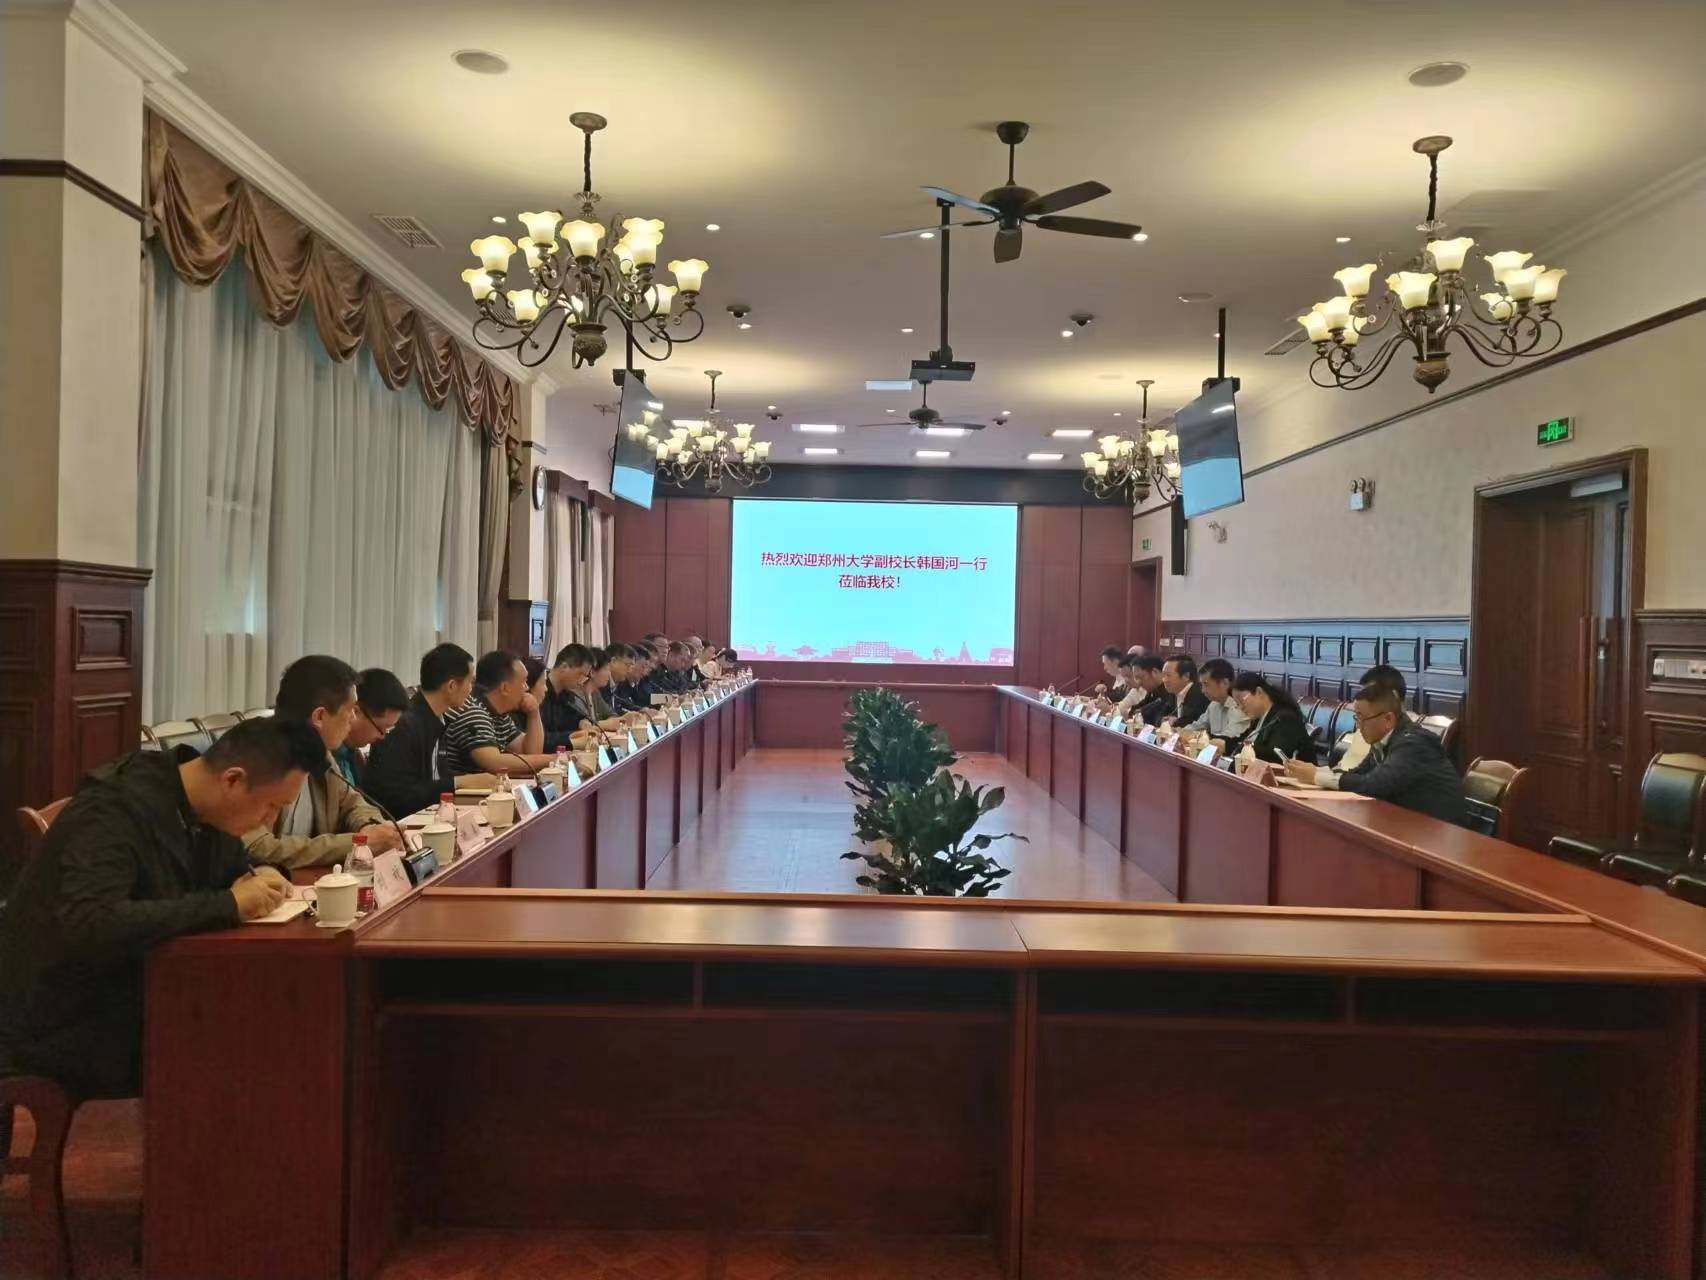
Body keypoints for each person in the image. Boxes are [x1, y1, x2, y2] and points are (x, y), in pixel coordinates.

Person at [0, 717, 323, 1097]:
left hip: (143, 992)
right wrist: (227, 903)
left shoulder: (202, 805)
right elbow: (91, 922)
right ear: (233, 780)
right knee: (258, 1048)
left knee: (277, 1024)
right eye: (271, 806)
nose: (269, 821)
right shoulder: (113, 809)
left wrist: (263, 872)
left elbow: (233, 867)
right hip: (68, 1018)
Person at [243, 655, 402, 868]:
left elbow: (353, 803)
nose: (353, 719)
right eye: (350, 710)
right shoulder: (255, 757)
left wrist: (369, 828)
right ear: (319, 717)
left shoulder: (320, 753)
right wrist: (356, 843)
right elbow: (258, 848)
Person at [1287, 685, 1467, 825]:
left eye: (1362, 718)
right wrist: (1316, 772)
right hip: (1408, 824)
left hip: (1441, 832)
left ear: (1387, 719)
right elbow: (1358, 773)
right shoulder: (1382, 740)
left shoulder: (1413, 743)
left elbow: (1374, 784)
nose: (1358, 726)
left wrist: (1317, 776)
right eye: (1356, 718)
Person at [364, 643, 495, 818]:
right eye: (470, 682)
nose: (471, 690)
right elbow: (400, 797)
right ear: (451, 686)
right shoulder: (403, 726)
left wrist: (467, 782)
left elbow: (437, 778)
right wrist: (458, 782)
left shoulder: (438, 720)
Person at [443, 650, 557, 776]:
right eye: (523, 682)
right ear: (505, 688)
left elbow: (530, 753)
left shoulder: (499, 715)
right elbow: (495, 763)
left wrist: (533, 714)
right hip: (462, 788)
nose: (527, 688)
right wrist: (556, 759)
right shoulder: (473, 711)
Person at [1331, 664, 1413, 771]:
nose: (1364, 698)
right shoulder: (1370, 728)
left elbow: (1376, 778)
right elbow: (1352, 769)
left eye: (1370, 694)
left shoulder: (1410, 742)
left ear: (1393, 696)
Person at [336, 667, 409, 786]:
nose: (382, 736)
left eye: (389, 729)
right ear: (355, 712)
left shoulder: (356, 759)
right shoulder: (321, 761)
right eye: (381, 728)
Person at [1231, 672, 1315, 764]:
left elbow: (1275, 755)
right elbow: (1242, 740)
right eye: (1237, 704)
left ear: (1259, 692)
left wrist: (1242, 748)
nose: (1241, 707)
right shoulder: (1259, 717)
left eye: (1242, 701)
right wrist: (1226, 745)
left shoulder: (1285, 718)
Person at [542, 643, 600, 747]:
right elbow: (541, 739)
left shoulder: (568, 696)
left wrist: (584, 723)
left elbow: (578, 718)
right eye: (581, 674)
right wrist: (573, 737)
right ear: (564, 667)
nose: (582, 682)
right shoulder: (540, 693)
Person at [1182, 658, 1251, 742]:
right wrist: (1180, 733)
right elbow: (1197, 726)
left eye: (1206, 684)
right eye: (1202, 685)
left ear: (1225, 683)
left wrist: (1200, 737)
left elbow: (1229, 740)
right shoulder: (1214, 704)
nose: (1203, 690)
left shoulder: (1241, 707)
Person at [1116, 656, 1170, 726]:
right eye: (1136, 678)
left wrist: (1139, 713)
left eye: (1140, 677)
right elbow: (1136, 709)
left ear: (1154, 672)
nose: (1138, 683)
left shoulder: (1169, 692)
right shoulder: (1153, 691)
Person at [1160, 655, 1209, 727]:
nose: (1164, 680)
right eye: (1163, 675)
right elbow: (1161, 715)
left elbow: (1193, 721)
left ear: (1186, 676)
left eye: (1168, 675)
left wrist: (1176, 721)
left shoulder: (1200, 694)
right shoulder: (1172, 692)